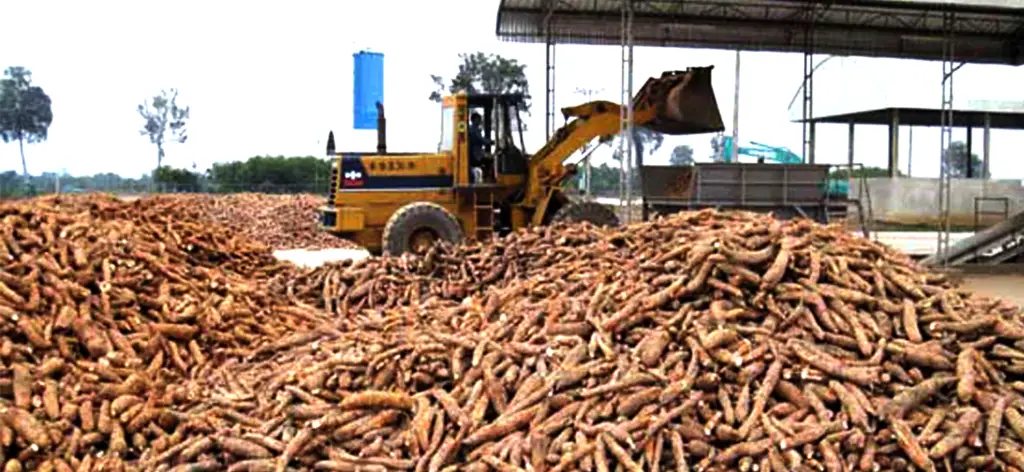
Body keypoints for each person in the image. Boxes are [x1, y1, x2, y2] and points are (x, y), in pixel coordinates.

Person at [468, 112, 491, 183]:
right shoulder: (474, 129)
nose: (480, 121)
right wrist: (491, 142)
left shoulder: (472, 128)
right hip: (475, 153)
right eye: (478, 119)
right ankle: (487, 178)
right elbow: (480, 140)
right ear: (474, 120)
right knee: (490, 160)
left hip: (475, 152)